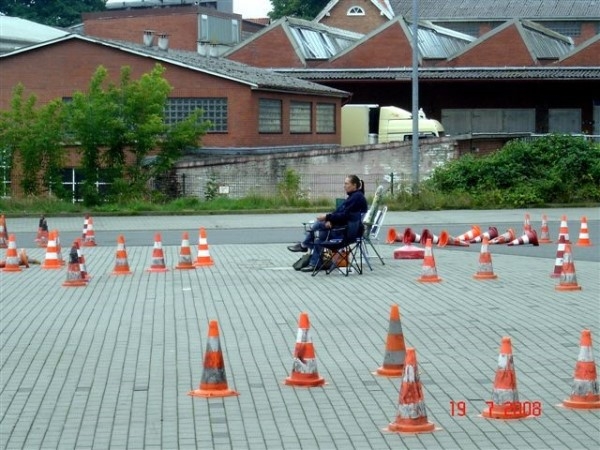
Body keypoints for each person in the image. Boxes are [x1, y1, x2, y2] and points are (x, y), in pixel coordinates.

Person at [288, 174, 368, 272]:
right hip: (346, 229)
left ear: (354, 185)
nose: (344, 186)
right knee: (320, 235)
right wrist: (330, 220)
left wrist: (327, 218)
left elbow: (345, 216)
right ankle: (315, 262)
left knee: (318, 225)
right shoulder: (354, 197)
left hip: (346, 232)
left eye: (346, 183)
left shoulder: (356, 198)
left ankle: (305, 247)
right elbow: (339, 213)